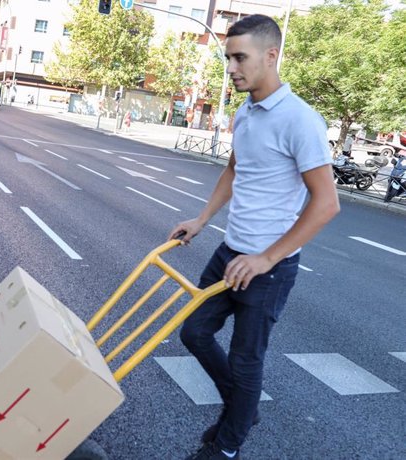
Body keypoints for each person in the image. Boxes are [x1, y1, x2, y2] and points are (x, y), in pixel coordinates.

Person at [167, 14, 340, 460]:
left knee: (246, 361)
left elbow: (326, 204)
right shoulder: (245, 112)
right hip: (230, 252)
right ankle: (244, 411)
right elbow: (234, 169)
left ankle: (227, 446)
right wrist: (203, 219)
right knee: (195, 333)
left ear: (271, 56)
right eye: (228, 58)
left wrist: (266, 259)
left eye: (239, 57)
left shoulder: (301, 120)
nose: (231, 68)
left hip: (269, 267)